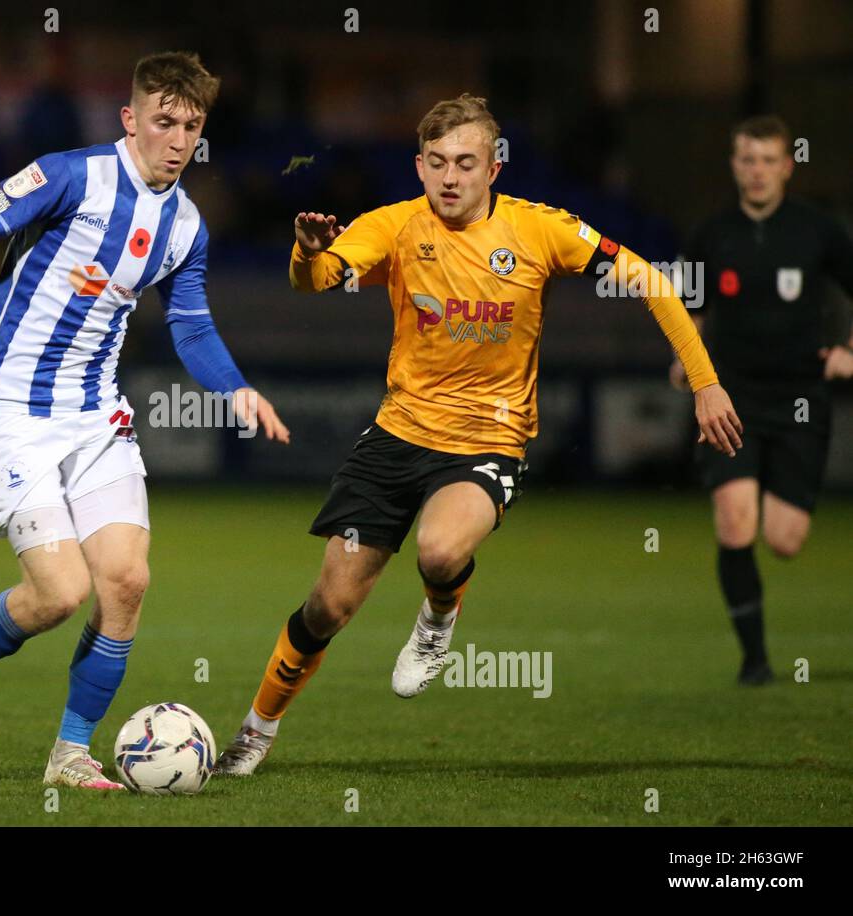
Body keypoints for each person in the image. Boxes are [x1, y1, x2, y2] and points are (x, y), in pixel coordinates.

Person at [215, 93, 742, 776]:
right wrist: (303, 251)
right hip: (395, 435)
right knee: (328, 606)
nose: (450, 178)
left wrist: (705, 382)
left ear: (494, 168)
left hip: (489, 437)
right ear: (419, 165)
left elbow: (652, 283)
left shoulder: (541, 230)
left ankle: (437, 620)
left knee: (438, 551)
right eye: (436, 163)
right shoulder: (395, 226)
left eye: (465, 163)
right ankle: (254, 734)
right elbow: (314, 280)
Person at [0, 52, 289, 790]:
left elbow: (193, 328)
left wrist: (236, 387)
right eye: (163, 121)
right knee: (59, 593)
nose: (177, 139)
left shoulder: (187, 227)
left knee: (126, 582)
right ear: (130, 119)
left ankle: (71, 755)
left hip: (96, 416)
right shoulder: (69, 175)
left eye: (191, 126)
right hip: (10, 413)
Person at [673, 114, 853, 685]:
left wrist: (848, 345)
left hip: (802, 397)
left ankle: (759, 650)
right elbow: (687, 310)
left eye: (768, 160)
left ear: (787, 166)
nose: (757, 171)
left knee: (785, 540)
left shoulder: (818, 231)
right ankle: (755, 661)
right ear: (734, 164)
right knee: (734, 520)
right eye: (747, 159)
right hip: (730, 396)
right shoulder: (711, 233)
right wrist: (685, 357)